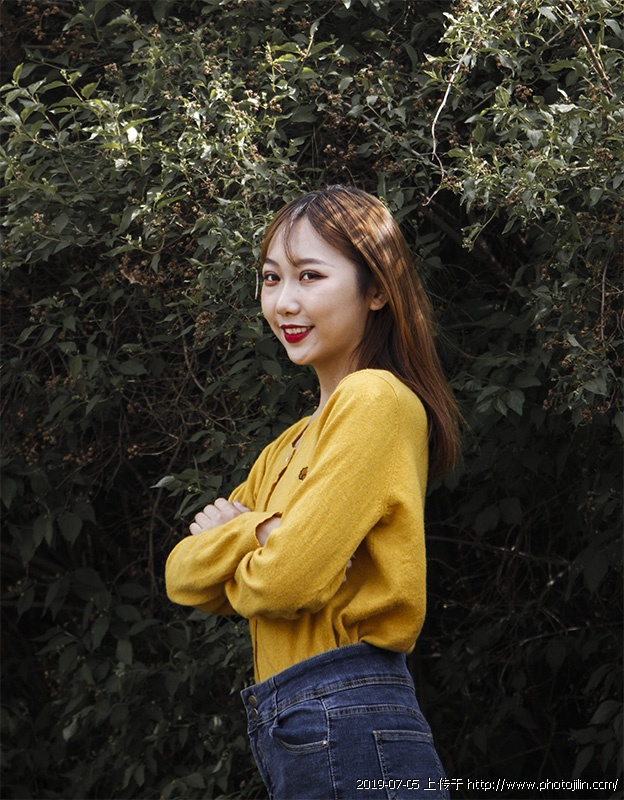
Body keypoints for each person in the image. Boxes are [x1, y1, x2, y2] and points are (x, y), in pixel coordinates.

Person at [165, 185, 462, 799]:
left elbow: (285, 583)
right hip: (301, 721)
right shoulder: (287, 446)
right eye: (272, 278)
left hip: (349, 712)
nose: (284, 302)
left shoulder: (376, 399)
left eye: (310, 275)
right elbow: (181, 576)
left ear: (376, 289)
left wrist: (242, 538)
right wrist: (262, 532)